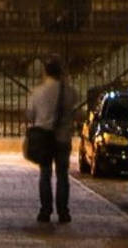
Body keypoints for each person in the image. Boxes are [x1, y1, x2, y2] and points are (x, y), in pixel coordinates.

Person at [26, 56, 78, 225]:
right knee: (63, 176)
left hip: (44, 138)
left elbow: (30, 115)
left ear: (45, 71)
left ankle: (45, 211)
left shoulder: (38, 92)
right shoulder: (69, 92)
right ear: (61, 72)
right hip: (63, 138)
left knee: (45, 174)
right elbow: (73, 111)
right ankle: (63, 212)